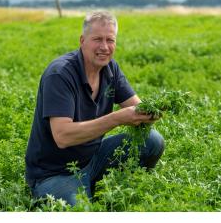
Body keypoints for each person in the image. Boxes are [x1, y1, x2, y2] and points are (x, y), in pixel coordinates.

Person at [25, 11, 165, 206]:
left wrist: (153, 110)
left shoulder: (110, 69)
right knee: (81, 212)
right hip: (54, 174)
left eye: (110, 40)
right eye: (97, 39)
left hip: (94, 158)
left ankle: (122, 189)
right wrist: (117, 118)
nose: (104, 47)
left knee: (153, 140)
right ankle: (80, 193)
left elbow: (136, 107)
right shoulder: (60, 74)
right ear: (82, 41)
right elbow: (63, 136)